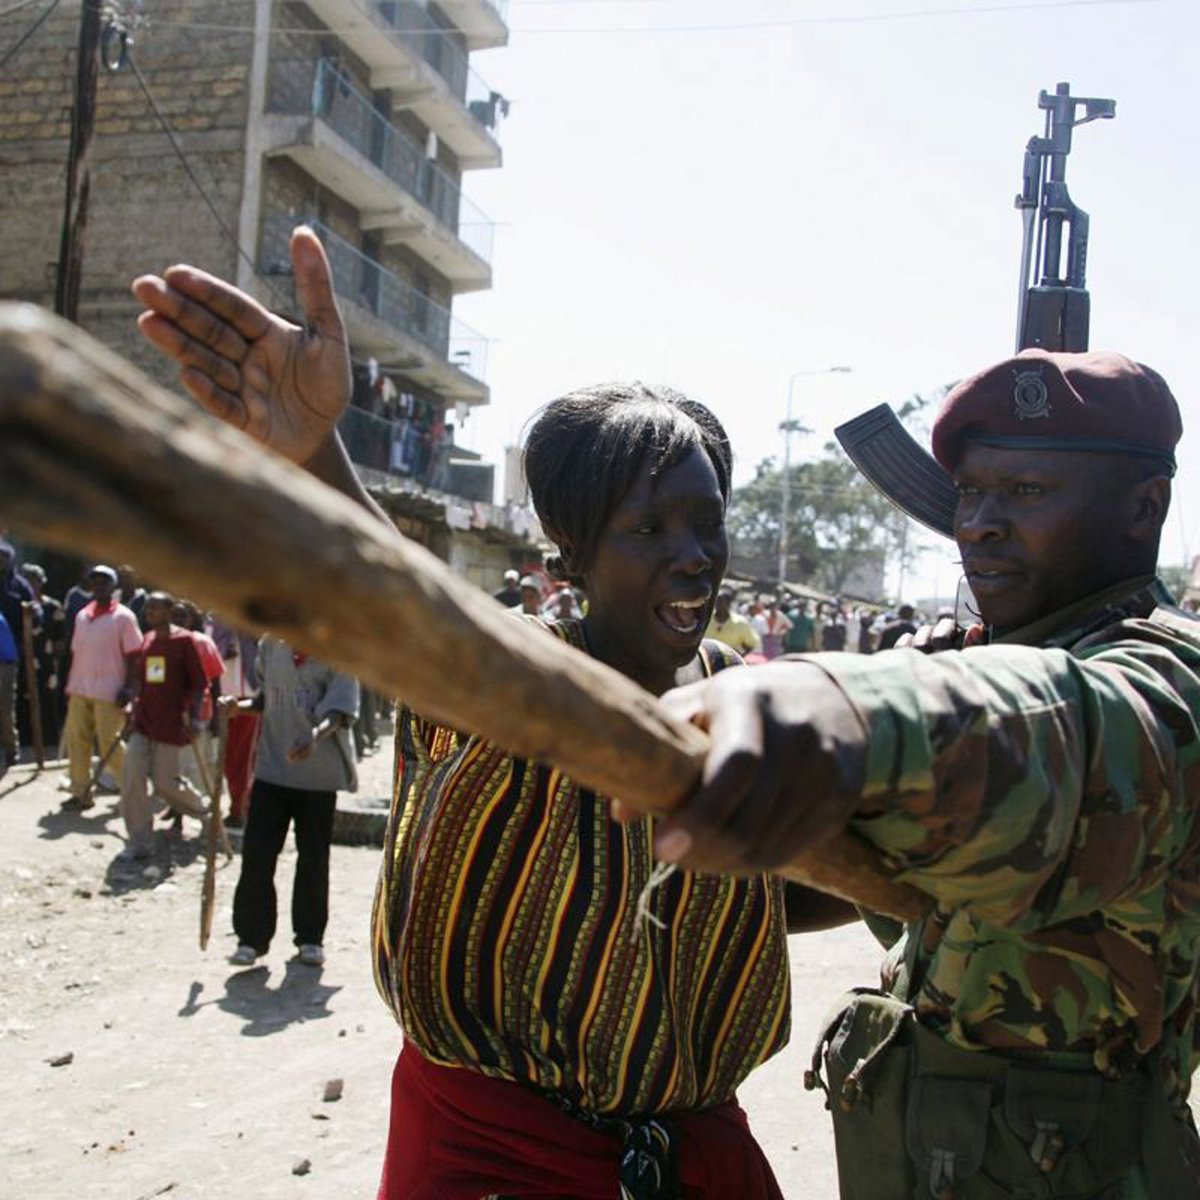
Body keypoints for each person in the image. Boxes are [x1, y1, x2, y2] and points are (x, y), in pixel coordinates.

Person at [132, 226, 794, 1197]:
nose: (692, 556)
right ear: (571, 551)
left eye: (707, 523)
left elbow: (790, 885)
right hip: (493, 1155)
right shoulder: (511, 674)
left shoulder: (748, 697)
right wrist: (316, 450)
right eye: (649, 528)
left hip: (694, 1157)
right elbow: (400, 603)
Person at [650, 349, 1200, 1198]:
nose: (977, 524)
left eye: (1025, 491)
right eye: (970, 492)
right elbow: (901, 895)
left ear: (1144, 508)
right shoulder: (986, 659)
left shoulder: (1168, 680)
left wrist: (852, 707)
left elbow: (1069, 736)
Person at [226, 638, 359, 969]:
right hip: (272, 769)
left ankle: (310, 938)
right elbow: (266, 699)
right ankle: (251, 939)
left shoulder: (340, 651)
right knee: (257, 854)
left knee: (313, 857)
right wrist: (239, 707)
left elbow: (339, 712)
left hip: (317, 776)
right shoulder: (271, 645)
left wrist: (315, 737)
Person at [119, 592, 210, 860]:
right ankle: (139, 840)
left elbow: (199, 685)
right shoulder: (147, 639)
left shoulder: (185, 641)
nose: (149, 613)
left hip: (171, 724)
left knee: (164, 784)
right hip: (143, 721)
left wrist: (196, 718)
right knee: (132, 777)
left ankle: (204, 810)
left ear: (169, 611)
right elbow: (141, 679)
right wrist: (132, 705)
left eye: (155, 608)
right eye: (148, 608)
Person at [62, 565, 142, 811]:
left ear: (113, 585)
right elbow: (75, 652)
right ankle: (81, 792)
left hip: (110, 690)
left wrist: (129, 689)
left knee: (110, 744)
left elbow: (134, 655)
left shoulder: (124, 617)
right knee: (78, 741)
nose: (98, 585)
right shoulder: (82, 615)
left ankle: (134, 792)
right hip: (80, 687)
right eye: (95, 581)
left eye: (104, 581)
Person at [19, 564, 68, 749]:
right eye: (27, 580)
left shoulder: (52, 607)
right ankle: (24, 740)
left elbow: (59, 640)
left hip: (46, 662)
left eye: (35, 580)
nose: (31, 584)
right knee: (21, 699)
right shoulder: (18, 606)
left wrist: (53, 660)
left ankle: (48, 741)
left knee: (46, 700)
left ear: (41, 582)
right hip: (21, 661)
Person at [0, 540, 38, 773]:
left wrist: (32, 611)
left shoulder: (19, 585)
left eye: (4, 557)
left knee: (5, 706)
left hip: (7, 654)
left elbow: (36, 613)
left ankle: (10, 749)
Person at [705, 588, 761, 656]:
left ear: (729, 603)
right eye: (717, 601)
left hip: (727, 660)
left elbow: (752, 644)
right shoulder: (705, 619)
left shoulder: (740, 623)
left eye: (722, 601)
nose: (718, 604)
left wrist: (739, 657)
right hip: (705, 658)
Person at [753, 596, 793, 660]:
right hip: (765, 639)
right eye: (771, 605)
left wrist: (782, 632)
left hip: (776, 639)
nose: (773, 607)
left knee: (775, 658)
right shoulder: (765, 613)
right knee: (765, 657)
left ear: (777, 606)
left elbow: (790, 626)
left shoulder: (780, 614)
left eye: (774, 605)